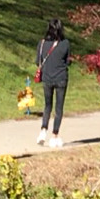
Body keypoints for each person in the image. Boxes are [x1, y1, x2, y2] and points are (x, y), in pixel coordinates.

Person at [35, 19, 70, 147]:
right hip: (61, 78)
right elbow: (67, 61)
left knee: (47, 105)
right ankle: (55, 135)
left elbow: (37, 61)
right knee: (59, 108)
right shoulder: (65, 43)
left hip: (47, 78)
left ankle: (43, 130)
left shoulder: (42, 43)